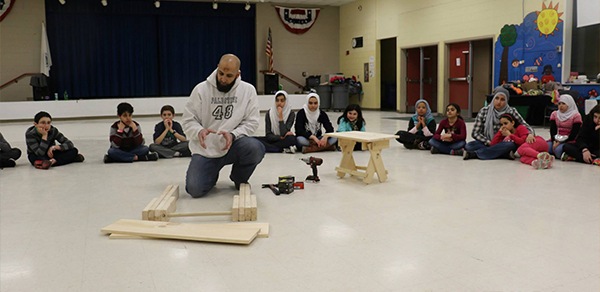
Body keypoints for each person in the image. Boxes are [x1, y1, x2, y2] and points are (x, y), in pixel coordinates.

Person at [182, 54, 265, 198]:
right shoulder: (201, 90)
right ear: (217, 68)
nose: (223, 79)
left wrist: (233, 134)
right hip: (205, 149)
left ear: (237, 74)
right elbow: (188, 120)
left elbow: (252, 122)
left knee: (255, 148)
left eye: (228, 76)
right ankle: (211, 174)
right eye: (221, 73)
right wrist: (199, 131)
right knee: (194, 190)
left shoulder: (248, 90)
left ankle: (239, 177)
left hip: (233, 145)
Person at [464, 86, 536, 160]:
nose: (498, 102)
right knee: (469, 146)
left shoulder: (511, 111)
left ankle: (475, 154)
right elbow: (475, 133)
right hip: (487, 141)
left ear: (506, 101)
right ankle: (503, 153)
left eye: (502, 100)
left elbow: (525, 125)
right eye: (497, 98)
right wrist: (489, 142)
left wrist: (530, 134)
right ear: (493, 99)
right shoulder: (484, 111)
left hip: (505, 142)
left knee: (510, 145)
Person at [464, 113, 529, 161]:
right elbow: (493, 144)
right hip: (500, 148)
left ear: (512, 123)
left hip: (515, 149)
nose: (503, 126)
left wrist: (510, 135)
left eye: (506, 123)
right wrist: (499, 133)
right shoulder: (503, 131)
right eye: (501, 124)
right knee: (470, 145)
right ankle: (505, 155)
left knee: (510, 144)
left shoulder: (521, 128)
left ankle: (474, 154)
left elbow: (523, 142)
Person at [547, 94, 582, 159]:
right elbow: (553, 130)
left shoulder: (576, 115)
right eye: (559, 103)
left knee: (558, 151)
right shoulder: (554, 114)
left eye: (563, 103)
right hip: (557, 138)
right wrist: (554, 141)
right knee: (547, 147)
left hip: (569, 140)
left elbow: (574, 134)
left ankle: (568, 155)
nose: (561, 106)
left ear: (569, 104)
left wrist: (560, 142)